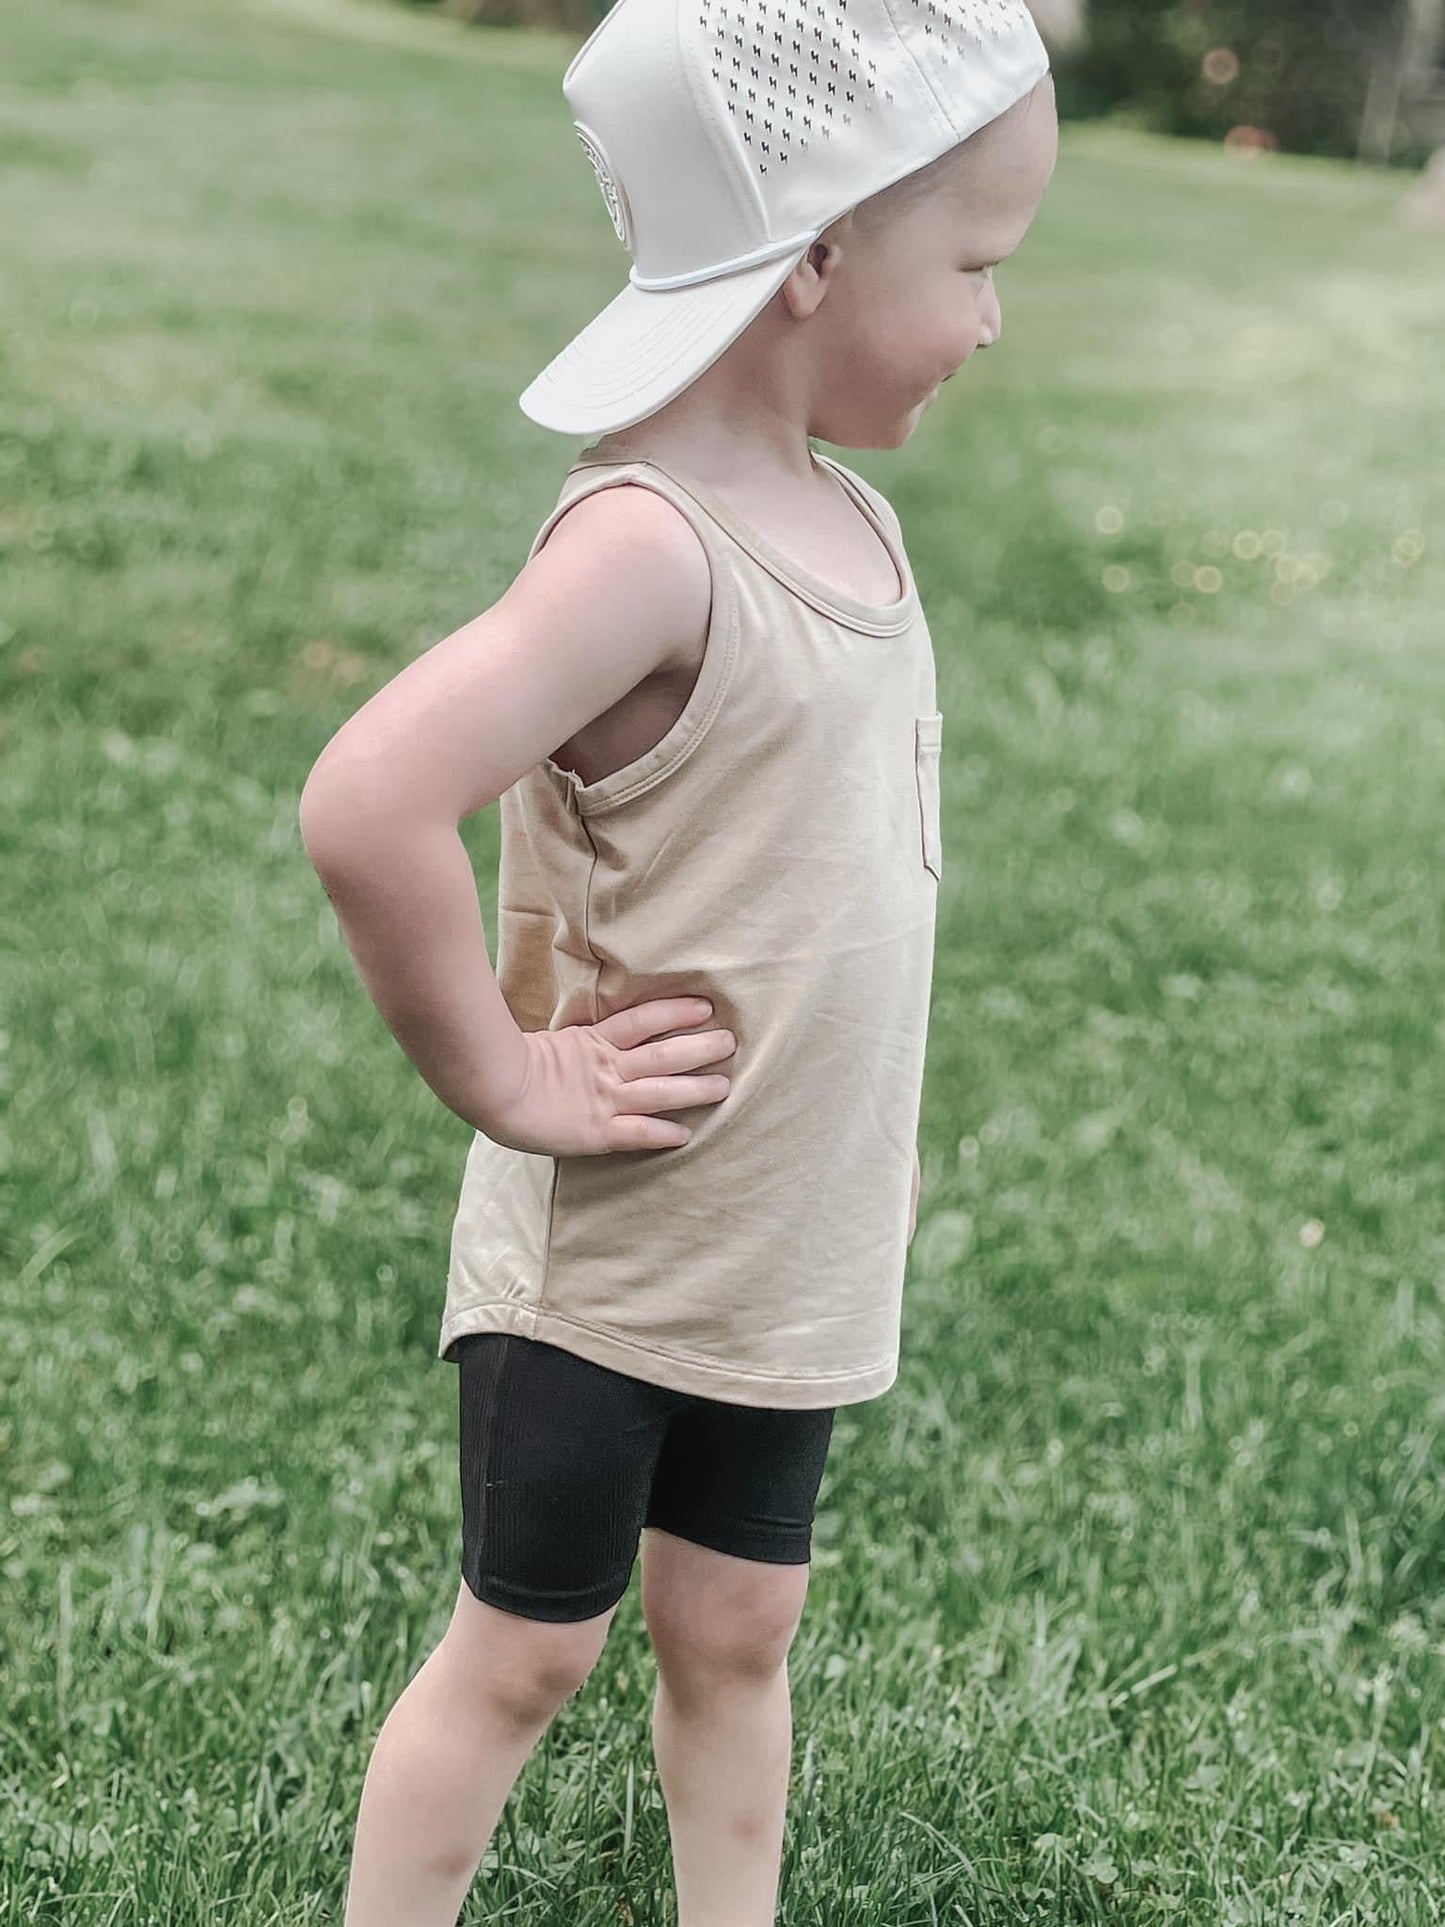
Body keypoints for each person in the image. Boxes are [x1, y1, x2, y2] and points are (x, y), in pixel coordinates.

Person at [298, 1, 1059, 1921]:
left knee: (738, 1630)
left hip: (780, 1245)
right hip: (610, 1259)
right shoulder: (649, 549)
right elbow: (370, 796)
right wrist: (501, 1072)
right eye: (973, 264)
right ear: (812, 253)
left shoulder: (853, 524)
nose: (991, 320)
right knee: (528, 1651)